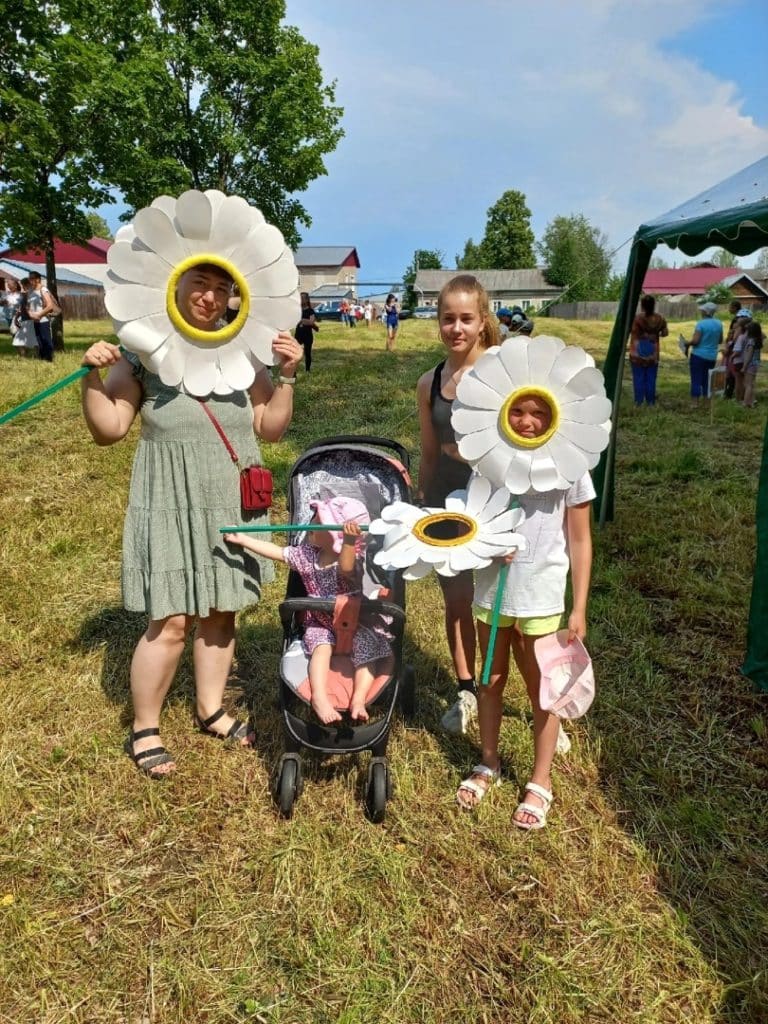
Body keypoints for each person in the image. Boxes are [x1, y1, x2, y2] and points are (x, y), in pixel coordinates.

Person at [80, 261, 303, 778]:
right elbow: (109, 427)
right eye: (199, 284)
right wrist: (92, 375)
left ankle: (211, 709)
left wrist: (286, 375)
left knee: (223, 608)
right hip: (171, 491)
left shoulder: (246, 348)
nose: (210, 297)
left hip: (230, 490)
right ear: (175, 286)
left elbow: (269, 428)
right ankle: (145, 726)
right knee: (172, 619)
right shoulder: (145, 348)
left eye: (221, 288)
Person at [456, 391, 594, 830]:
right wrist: (488, 546)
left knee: (543, 692)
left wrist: (579, 607)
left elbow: (579, 539)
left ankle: (540, 779)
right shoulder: (488, 460)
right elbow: (472, 522)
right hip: (493, 595)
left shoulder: (572, 465)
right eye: (518, 410)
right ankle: (489, 762)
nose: (527, 420)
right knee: (490, 680)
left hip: (542, 598)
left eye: (539, 413)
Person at [416, 274, 498, 734]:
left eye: (467, 318)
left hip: (494, 497)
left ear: (482, 321)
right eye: (448, 318)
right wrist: (423, 500)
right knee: (458, 599)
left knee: (505, 605)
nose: (457, 328)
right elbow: (430, 451)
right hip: (448, 496)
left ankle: (523, 694)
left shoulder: (502, 372)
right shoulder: (428, 382)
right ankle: (467, 688)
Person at [225, 500, 391, 724]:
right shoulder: (307, 556)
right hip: (320, 622)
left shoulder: (354, 563)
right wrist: (243, 539)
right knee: (321, 648)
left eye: (319, 521)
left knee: (367, 650)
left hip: (355, 622)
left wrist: (349, 541)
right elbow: (278, 552)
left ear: (336, 537)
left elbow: (346, 567)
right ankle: (320, 697)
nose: (311, 523)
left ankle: (359, 699)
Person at [629, 294, 668, 407]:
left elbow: (631, 331)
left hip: (637, 354)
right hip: (653, 354)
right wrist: (655, 333)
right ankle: (650, 402)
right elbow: (665, 333)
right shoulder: (660, 318)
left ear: (642, 305)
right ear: (653, 305)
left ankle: (638, 402)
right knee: (651, 379)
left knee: (638, 378)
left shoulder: (637, 318)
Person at [683, 301, 723, 405]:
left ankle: (694, 402)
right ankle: (706, 402)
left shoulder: (701, 323)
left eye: (702, 310)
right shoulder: (719, 323)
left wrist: (687, 343)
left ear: (705, 312)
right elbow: (720, 340)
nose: (701, 311)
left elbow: (696, 341)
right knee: (707, 379)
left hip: (698, 355)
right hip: (712, 356)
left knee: (696, 378)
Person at [26, 270, 57, 362]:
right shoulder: (31, 291)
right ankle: (42, 360)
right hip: (35, 321)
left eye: (32, 279)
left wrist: (39, 315)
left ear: (38, 280)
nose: (30, 281)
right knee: (39, 341)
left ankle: (49, 361)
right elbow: (28, 306)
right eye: (29, 279)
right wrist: (30, 314)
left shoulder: (43, 290)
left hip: (43, 320)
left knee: (46, 341)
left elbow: (50, 305)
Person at [729, 309, 753, 402]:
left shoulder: (740, 332)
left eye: (739, 317)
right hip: (748, 359)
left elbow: (735, 342)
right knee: (747, 381)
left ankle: (738, 399)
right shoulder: (753, 331)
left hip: (739, 358)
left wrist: (732, 356)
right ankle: (746, 398)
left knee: (738, 380)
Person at [11, 278, 37, 356]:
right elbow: (21, 308)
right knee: (32, 341)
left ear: (27, 284)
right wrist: (16, 318)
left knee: (18, 341)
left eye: (23, 285)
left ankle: (26, 356)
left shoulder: (31, 294)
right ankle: (29, 356)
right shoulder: (26, 294)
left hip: (29, 320)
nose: (22, 287)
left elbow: (29, 307)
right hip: (25, 320)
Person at [740, 320, 763, 409]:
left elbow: (748, 356)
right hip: (755, 364)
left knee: (748, 384)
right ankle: (752, 402)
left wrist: (744, 366)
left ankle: (745, 403)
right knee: (751, 384)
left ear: (750, 331)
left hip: (750, 364)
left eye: (748, 330)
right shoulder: (757, 340)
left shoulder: (751, 342)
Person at [722, 299, 743, 398]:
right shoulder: (738, 318)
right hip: (733, 348)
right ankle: (729, 391)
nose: (729, 309)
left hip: (733, 350)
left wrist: (728, 346)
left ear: (735, 308)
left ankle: (730, 392)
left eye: (730, 307)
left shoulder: (738, 319)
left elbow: (735, 337)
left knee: (732, 372)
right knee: (731, 372)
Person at [295, 291, 319, 372]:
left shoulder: (310, 311)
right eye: (300, 298)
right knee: (295, 352)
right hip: (298, 334)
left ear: (307, 300)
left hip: (307, 335)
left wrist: (303, 320)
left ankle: (307, 370)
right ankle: (293, 371)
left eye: (303, 298)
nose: (301, 300)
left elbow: (311, 322)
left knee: (307, 353)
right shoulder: (297, 310)